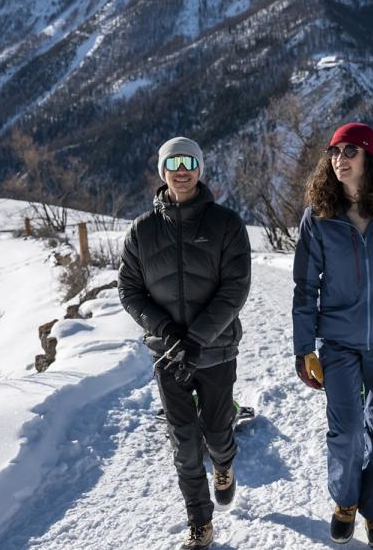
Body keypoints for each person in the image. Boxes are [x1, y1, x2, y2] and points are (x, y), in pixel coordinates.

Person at [291, 122, 373, 547]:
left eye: (349, 151)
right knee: (346, 429)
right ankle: (345, 501)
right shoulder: (319, 216)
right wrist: (303, 348)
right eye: (333, 152)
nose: (339, 159)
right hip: (340, 340)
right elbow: (305, 286)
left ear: (369, 157)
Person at [118, 136, 252, 549]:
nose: (181, 168)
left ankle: (225, 464)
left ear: (200, 169)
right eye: (172, 162)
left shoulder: (226, 224)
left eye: (189, 161)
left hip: (213, 351)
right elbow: (129, 290)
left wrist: (196, 339)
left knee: (215, 430)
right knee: (184, 441)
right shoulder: (142, 231)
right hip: (168, 355)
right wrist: (168, 333)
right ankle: (200, 521)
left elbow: (235, 289)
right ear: (163, 171)